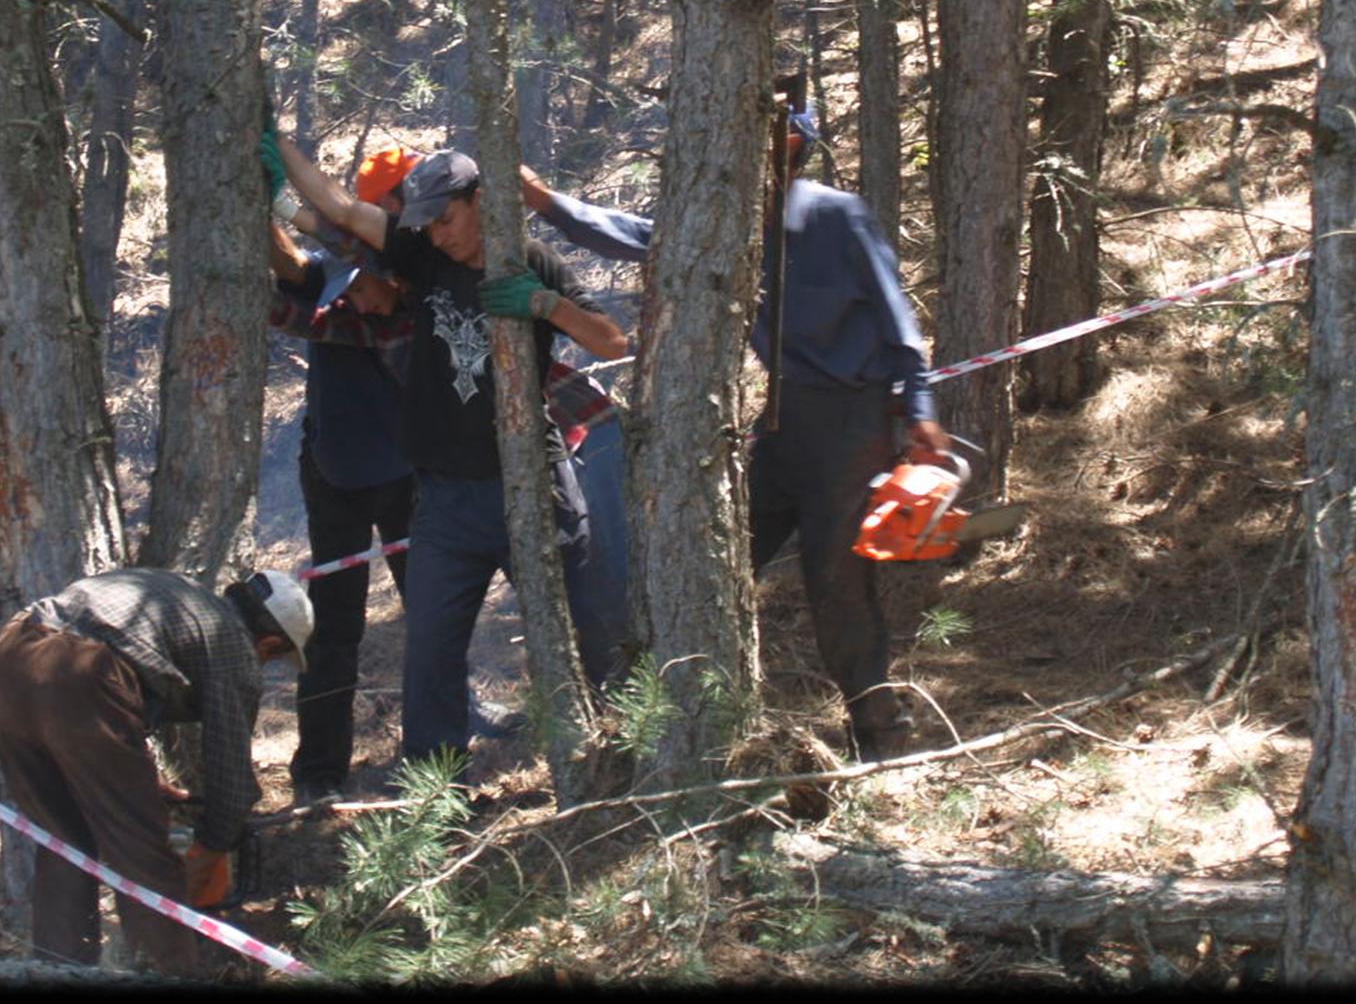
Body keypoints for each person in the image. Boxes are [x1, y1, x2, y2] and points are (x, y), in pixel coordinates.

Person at [520, 114, 951, 762]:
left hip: (854, 426)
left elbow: (899, 322)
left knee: (836, 586)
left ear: (793, 151)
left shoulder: (840, 217)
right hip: (782, 422)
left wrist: (919, 411)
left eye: (769, 144)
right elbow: (632, 234)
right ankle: (669, 727)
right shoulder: (723, 226)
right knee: (718, 561)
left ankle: (883, 736)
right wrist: (545, 202)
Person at [270, 133, 631, 771]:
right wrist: (274, 144)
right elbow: (341, 209)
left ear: (481, 201)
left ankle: (624, 750)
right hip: (443, 500)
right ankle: (438, 795)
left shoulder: (534, 262)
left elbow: (611, 341)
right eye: (427, 223)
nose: (439, 235)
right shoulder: (422, 259)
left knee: (588, 625)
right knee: (430, 653)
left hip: (531, 486)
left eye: (447, 219)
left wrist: (543, 305)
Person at [0, 567, 313, 976]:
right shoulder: (235, 645)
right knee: (144, 857)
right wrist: (209, 853)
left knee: (63, 845)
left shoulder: (185, 595)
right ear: (269, 641)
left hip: (11, 656)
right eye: (272, 658)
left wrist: (141, 782)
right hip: (80, 672)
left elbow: (87, 719)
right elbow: (231, 781)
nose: (263, 665)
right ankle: (171, 972)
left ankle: (58, 970)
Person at [264, 149, 421, 811]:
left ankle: (446, 733)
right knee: (334, 632)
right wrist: (257, 206)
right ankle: (320, 768)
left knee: (437, 613)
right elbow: (295, 269)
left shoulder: (423, 270)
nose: (356, 295)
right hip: (337, 475)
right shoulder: (333, 273)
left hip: (414, 472)